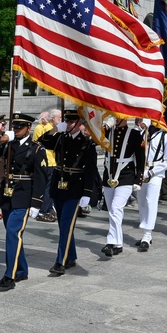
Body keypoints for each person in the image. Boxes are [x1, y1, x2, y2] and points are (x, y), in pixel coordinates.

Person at [0, 112, 48, 290]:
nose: (17, 130)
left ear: (29, 128)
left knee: (13, 234)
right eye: (15, 127)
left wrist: (36, 203)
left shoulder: (36, 149)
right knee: (14, 235)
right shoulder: (8, 145)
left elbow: (41, 178)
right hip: (7, 195)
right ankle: (22, 269)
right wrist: (1, 140)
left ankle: (9, 275)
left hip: (23, 196)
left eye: (21, 127)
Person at [37, 111, 99, 275]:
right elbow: (40, 141)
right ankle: (70, 256)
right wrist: (56, 129)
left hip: (74, 187)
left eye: (72, 121)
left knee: (66, 225)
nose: (69, 123)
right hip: (58, 185)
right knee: (62, 225)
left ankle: (61, 261)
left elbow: (91, 170)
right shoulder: (60, 138)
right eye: (67, 120)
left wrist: (87, 193)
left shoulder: (87, 143)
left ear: (80, 123)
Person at [101, 117, 145, 255]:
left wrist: (139, 180)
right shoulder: (108, 132)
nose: (117, 118)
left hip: (126, 175)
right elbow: (94, 137)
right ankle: (118, 244)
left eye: (119, 116)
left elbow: (141, 158)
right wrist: (105, 127)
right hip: (109, 175)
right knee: (112, 211)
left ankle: (111, 242)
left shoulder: (134, 134)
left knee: (116, 208)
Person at [136, 118, 167, 251]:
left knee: (150, 201)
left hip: (155, 173)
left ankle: (147, 234)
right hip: (142, 171)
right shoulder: (141, 134)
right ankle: (144, 233)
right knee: (141, 201)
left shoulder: (166, 137)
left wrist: (152, 172)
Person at [32, 109, 63, 221]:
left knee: (50, 187)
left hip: (52, 160)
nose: (61, 120)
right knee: (47, 188)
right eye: (59, 118)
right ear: (53, 118)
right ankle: (44, 210)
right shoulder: (48, 128)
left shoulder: (49, 127)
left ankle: (48, 208)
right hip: (48, 160)